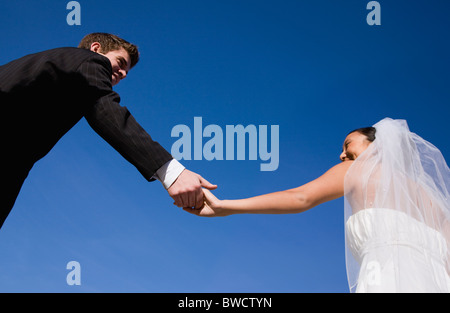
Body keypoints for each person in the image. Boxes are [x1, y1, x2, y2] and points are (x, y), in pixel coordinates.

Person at [185, 118, 450, 293]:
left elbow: (300, 197)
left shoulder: (357, 169)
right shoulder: (431, 199)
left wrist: (225, 207)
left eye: (348, 145)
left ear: (377, 145)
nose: (342, 154)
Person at [0, 32, 216, 229]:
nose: (122, 74)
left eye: (126, 72)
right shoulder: (89, 61)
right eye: (121, 63)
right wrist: (171, 172)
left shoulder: (56, 73)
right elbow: (105, 108)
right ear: (96, 49)